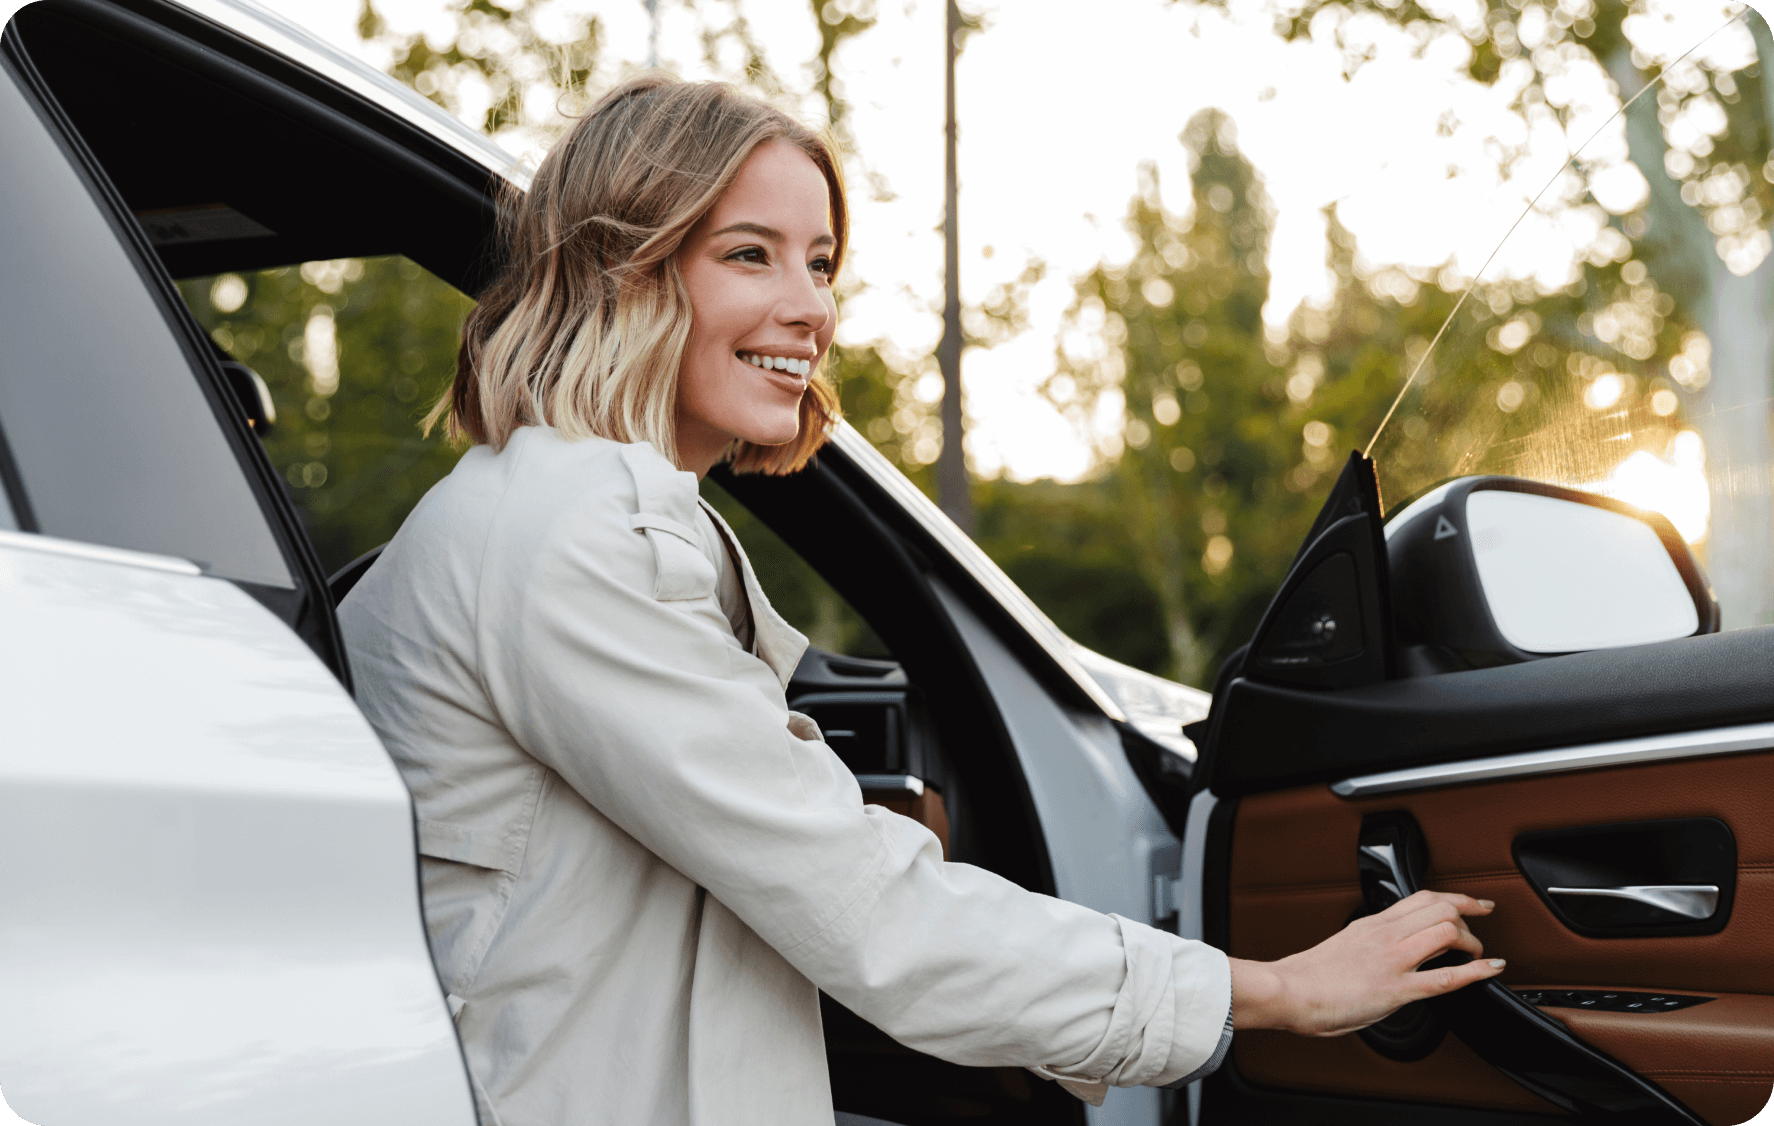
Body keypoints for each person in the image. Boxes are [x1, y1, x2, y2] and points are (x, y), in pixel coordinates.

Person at [337, 73, 1504, 1126]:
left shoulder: (549, 509)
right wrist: (1281, 990)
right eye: (750, 254)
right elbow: (867, 911)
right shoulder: (579, 530)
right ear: (623, 270)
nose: (811, 309)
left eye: (821, 261)